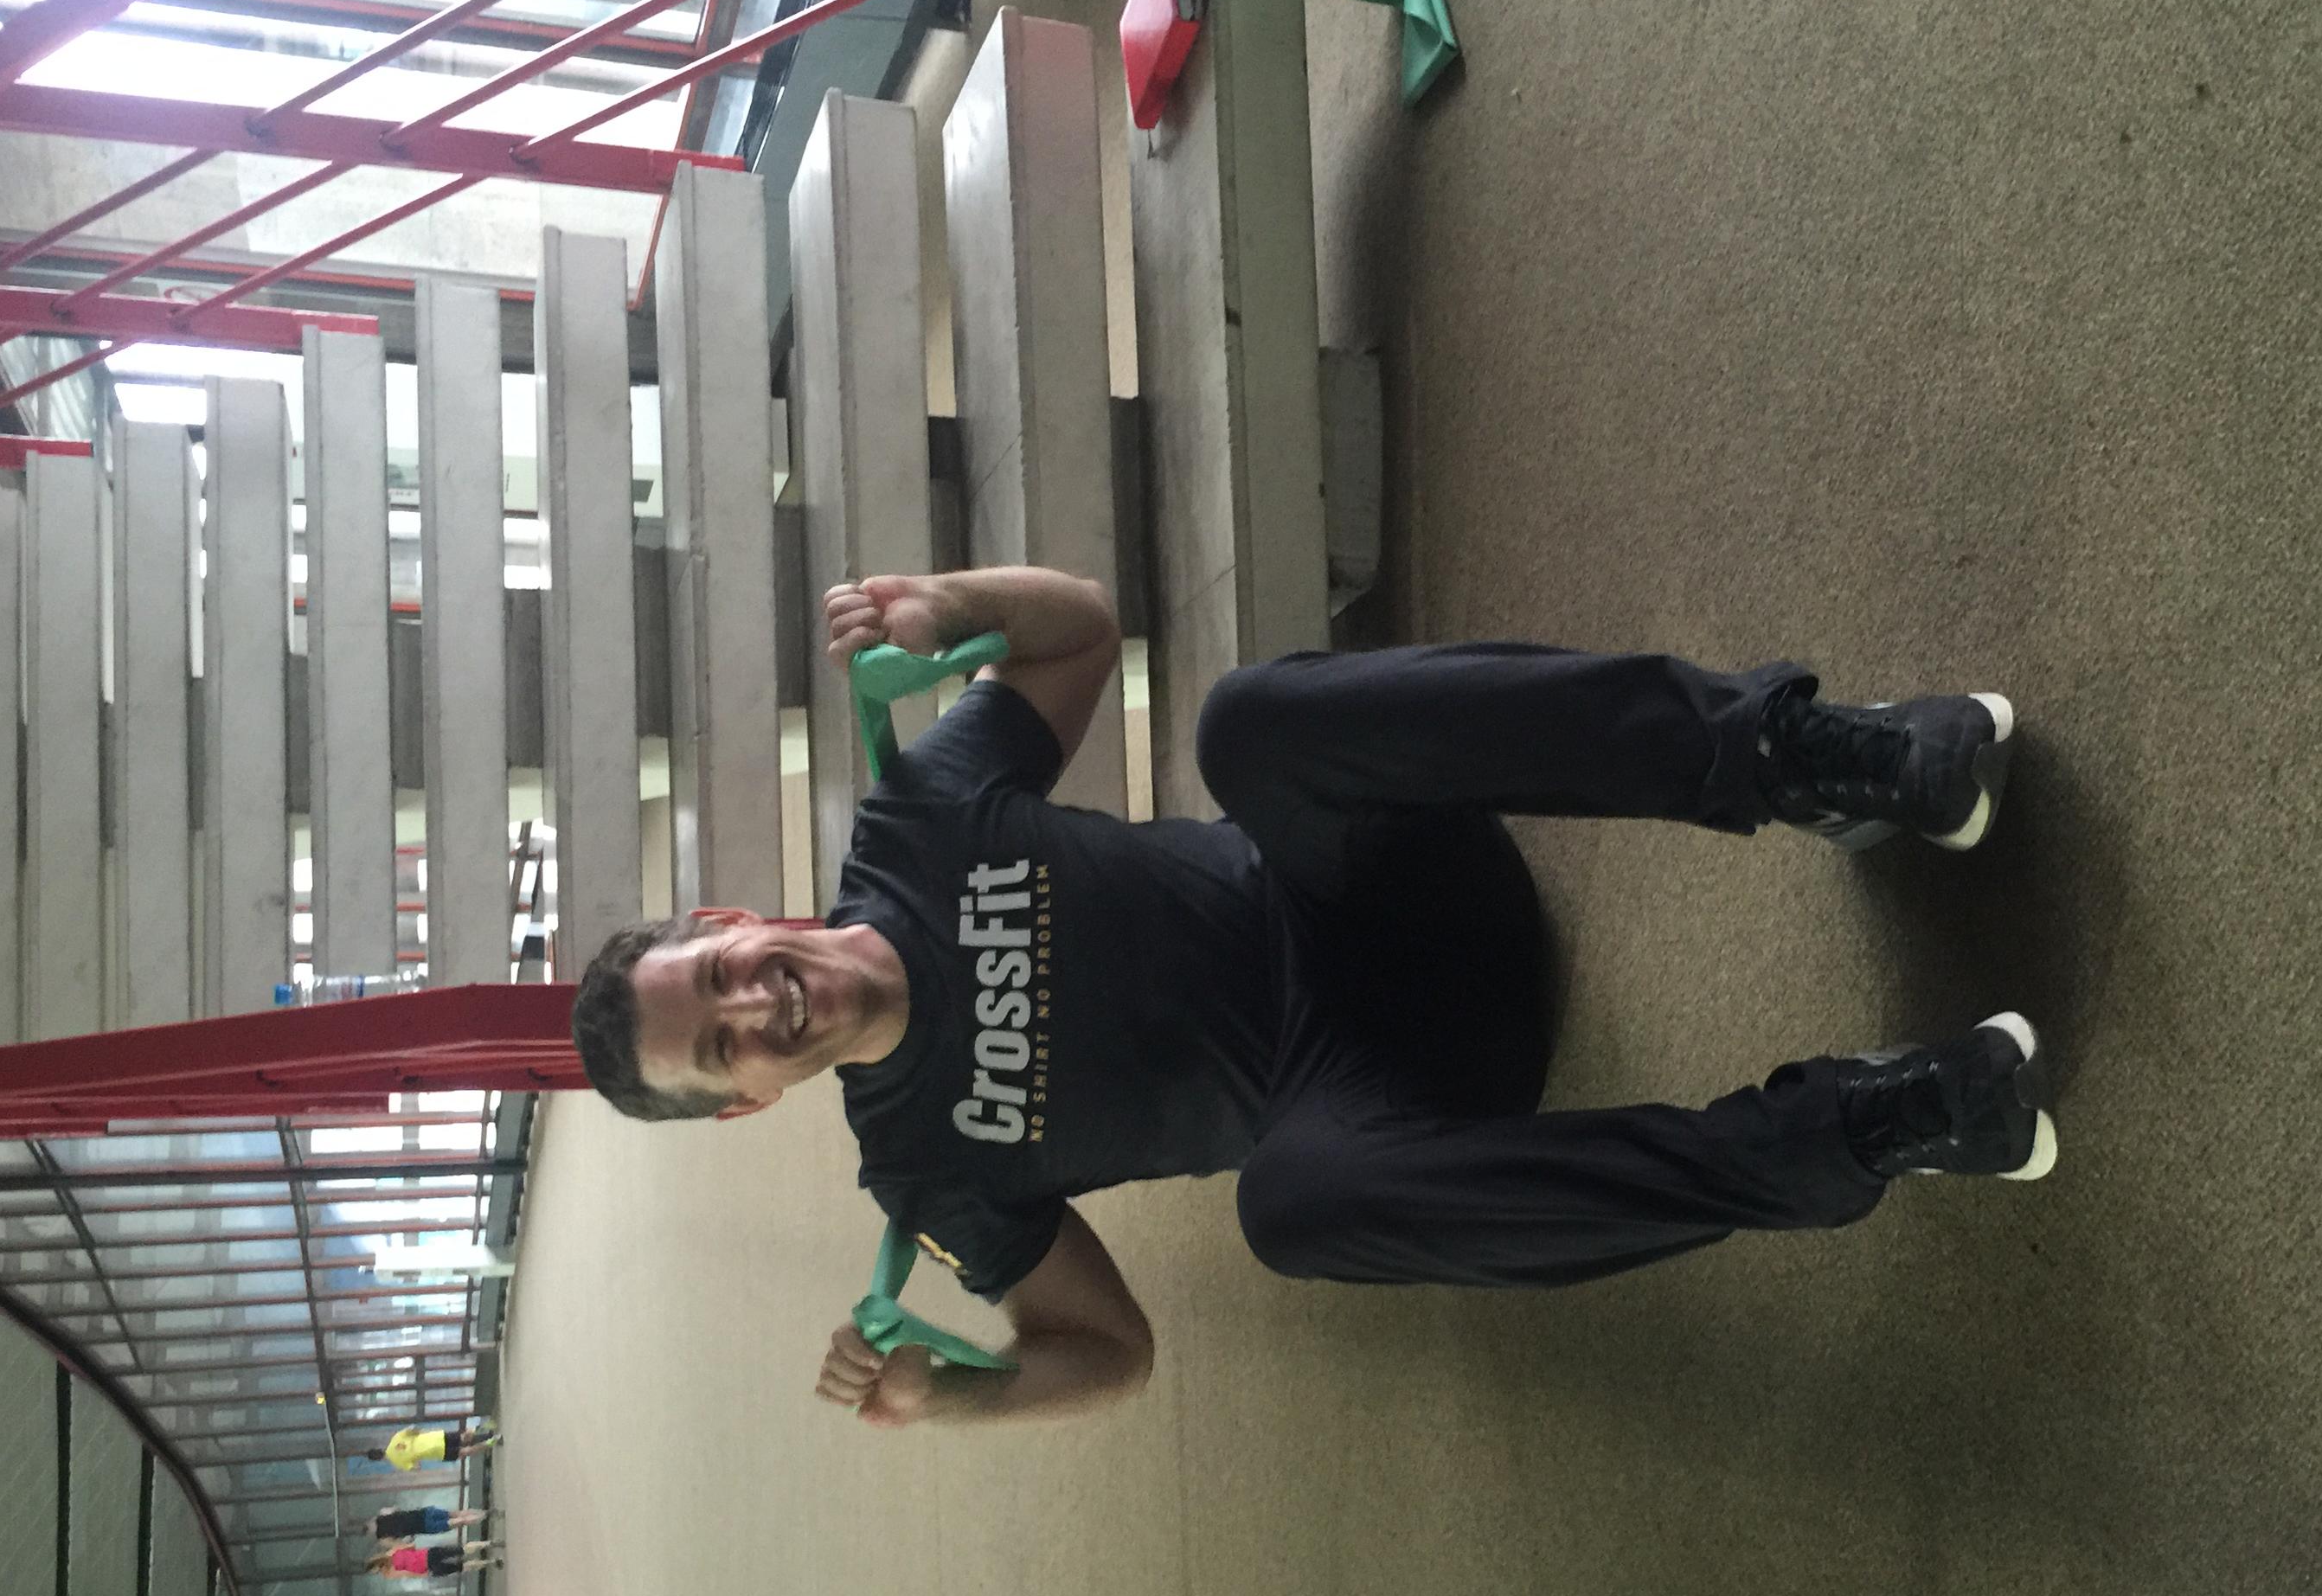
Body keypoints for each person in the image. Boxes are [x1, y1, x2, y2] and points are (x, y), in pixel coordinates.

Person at [569, 567, 2056, 1433]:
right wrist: (955, 1397)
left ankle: (1805, 761)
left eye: (714, 976)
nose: (751, 1007)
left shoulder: (913, 821)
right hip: (1413, 1095)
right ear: (746, 1099)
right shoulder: (923, 1170)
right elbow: (1111, 1350)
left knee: (1248, 722)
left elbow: (1075, 629)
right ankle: (1848, 1133)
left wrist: (955, 600)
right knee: (1288, 1213)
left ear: (728, 922)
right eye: (721, 1049)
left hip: (1408, 886)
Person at [369, 1421, 500, 1471]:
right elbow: (413, 1428)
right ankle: (487, 1425)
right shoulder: (396, 1438)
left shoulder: (398, 1462)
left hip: (437, 1453)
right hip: (435, 1437)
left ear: (379, 1460)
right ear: (380, 1448)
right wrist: (419, 1435)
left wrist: (415, 1457)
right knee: (464, 1437)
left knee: (466, 1452)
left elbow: (417, 1468)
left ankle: (492, 1442)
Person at [367, 1540, 501, 1579]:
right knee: (461, 1550)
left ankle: (491, 1562)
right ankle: (489, 1543)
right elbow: (411, 1546)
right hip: (428, 1554)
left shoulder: (390, 1573)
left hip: (428, 1568)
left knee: (461, 1567)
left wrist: (423, 1574)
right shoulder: (392, 1552)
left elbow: (408, 1574)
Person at [366, 1505, 490, 1542]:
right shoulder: (383, 1513)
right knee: (456, 1514)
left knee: (457, 1522)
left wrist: (410, 1533)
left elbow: (407, 1540)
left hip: (425, 1527)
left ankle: (482, 1517)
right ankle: (484, 1512)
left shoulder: (386, 1535)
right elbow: (396, 1508)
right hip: (423, 1513)